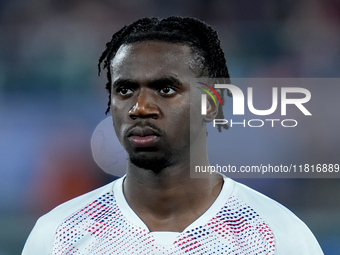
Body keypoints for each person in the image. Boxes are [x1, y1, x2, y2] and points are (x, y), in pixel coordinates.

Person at [22, 16, 324, 255]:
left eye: (165, 89)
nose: (140, 108)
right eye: (125, 89)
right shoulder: (59, 234)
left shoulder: (276, 236)